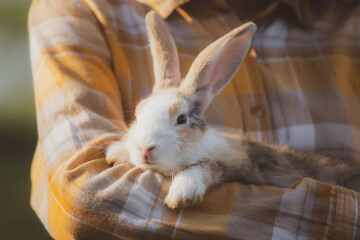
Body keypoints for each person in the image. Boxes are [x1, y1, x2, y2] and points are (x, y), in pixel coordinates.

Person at [29, 0, 360, 239]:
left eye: (179, 121)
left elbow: (225, 165)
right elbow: (89, 199)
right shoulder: (78, 8)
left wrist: (200, 177)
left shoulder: (349, 16)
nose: (144, 147)